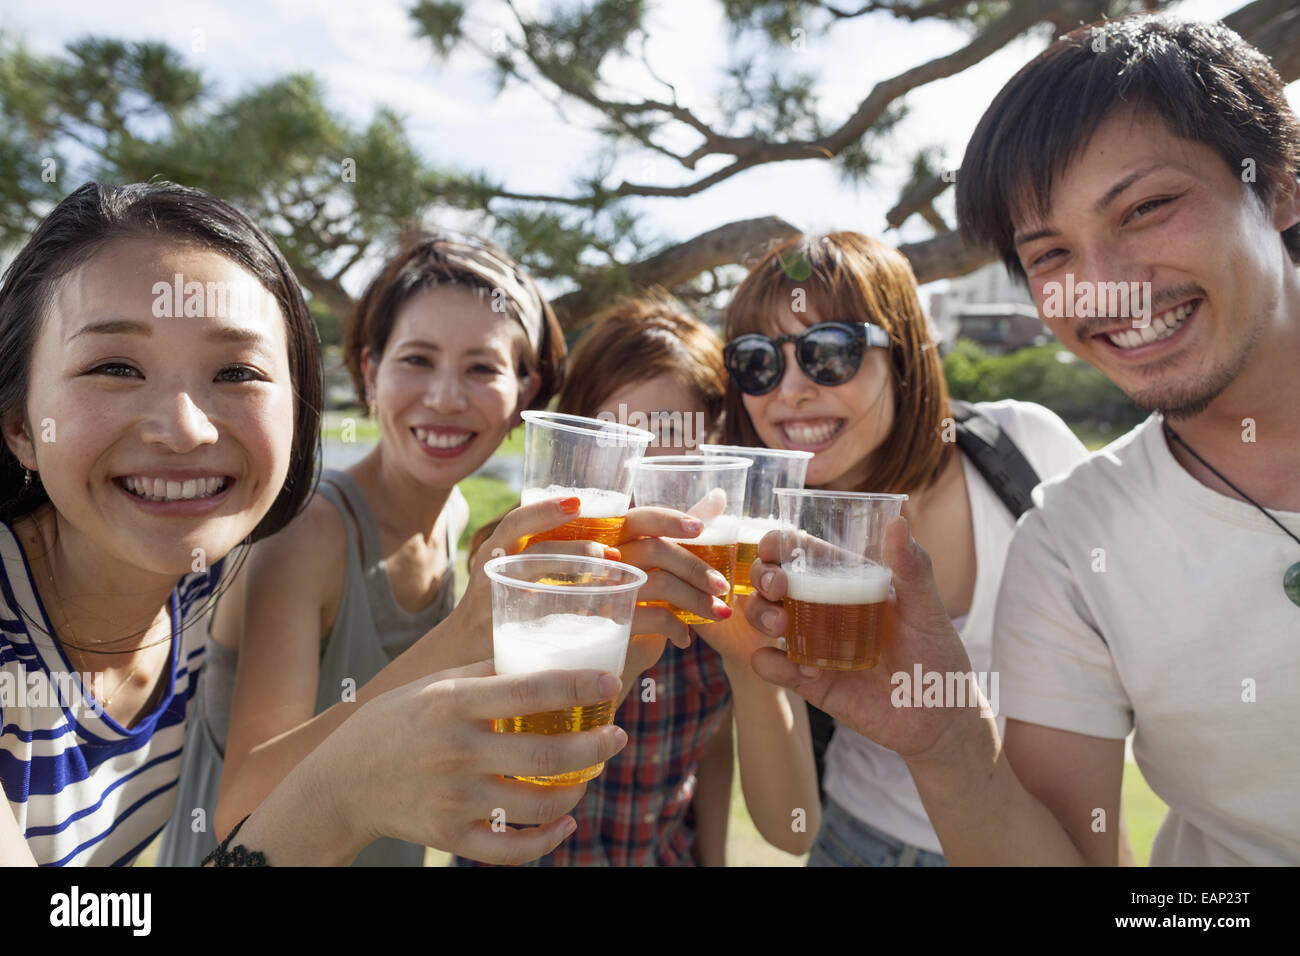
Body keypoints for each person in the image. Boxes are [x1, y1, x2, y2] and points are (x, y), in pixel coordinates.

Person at [743, 14, 1300, 866]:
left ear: (1280, 182)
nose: (1105, 291)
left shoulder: (1024, 455)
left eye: (1147, 207)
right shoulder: (1072, 542)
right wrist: (950, 745)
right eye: (1050, 254)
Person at [0, 182, 628, 866]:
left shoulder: (196, 578)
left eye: (237, 371)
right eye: (115, 367)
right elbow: (244, 802)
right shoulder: (286, 539)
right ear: (18, 423)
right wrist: (343, 789)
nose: (183, 428)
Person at [720, 231, 1095, 866]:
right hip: (853, 843)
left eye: (827, 352)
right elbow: (790, 832)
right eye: (758, 361)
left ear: (902, 355)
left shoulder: (1023, 446)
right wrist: (746, 666)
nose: (789, 391)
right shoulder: (764, 535)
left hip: (1032, 840)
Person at [462, 293, 819, 865]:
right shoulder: (513, 570)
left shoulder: (725, 593)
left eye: (660, 435)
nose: (634, 469)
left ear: (717, 454)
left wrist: (749, 668)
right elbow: (512, 804)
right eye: (610, 439)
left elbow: (790, 829)